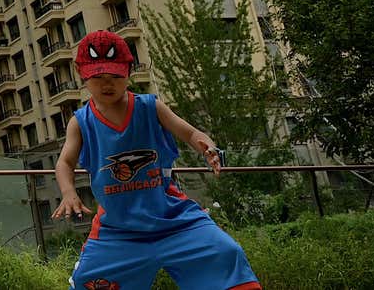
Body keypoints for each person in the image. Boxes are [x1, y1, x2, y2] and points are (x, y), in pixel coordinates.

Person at [55, 29, 262, 290]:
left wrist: (207, 147)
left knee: (226, 252)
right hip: (118, 230)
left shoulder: (150, 107)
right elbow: (64, 162)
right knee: (88, 281)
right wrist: (68, 192)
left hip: (174, 219)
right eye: (97, 77)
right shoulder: (80, 122)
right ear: (80, 73)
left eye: (115, 76)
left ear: (128, 72)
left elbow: (190, 132)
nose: (107, 84)